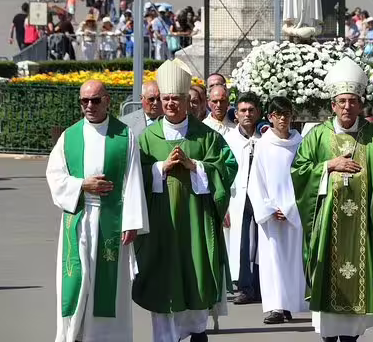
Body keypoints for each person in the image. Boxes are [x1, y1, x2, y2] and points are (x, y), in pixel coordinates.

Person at [291, 57, 373, 342]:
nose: (346, 107)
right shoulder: (317, 136)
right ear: (332, 105)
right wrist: (329, 166)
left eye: (352, 101)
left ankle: (352, 337)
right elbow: (299, 171)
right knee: (329, 285)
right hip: (327, 228)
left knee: (357, 289)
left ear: (360, 104)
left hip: (362, 229)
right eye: (341, 101)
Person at [132, 59, 238, 342]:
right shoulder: (146, 138)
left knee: (196, 282)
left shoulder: (206, 137)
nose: (169, 104)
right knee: (163, 289)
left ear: (187, 101)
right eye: (165, 98)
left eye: (176, 99)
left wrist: (196, 167)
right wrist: (159, 169)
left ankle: (196, 333)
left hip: (196, 227)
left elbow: (227, 167)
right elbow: (133, 177)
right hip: (160, 228)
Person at [46, 79, 149, 342]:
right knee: (77, 281)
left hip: (112, 221)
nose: (89, 105)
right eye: (84, 101)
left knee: (109, 286)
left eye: (95, 100)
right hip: (78, 219)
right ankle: (75, 334)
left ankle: (108, 337)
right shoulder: (69, 137)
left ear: (107, 101)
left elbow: (134, 178)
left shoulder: (125, 136)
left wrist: (132, 222)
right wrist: (82, 185)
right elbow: (55, 176)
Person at [246, 96, 307, 324]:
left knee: (292, 259)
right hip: (271, 213)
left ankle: (290, 304)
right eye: (278, 115)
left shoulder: (300, 144)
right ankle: (274, 307)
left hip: (294, 210)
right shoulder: (263, 145)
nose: (283, 119)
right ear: (270, 117)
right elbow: (256, 181)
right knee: (272, 260)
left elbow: (305, 178)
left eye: (287, 114)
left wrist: (292, 207)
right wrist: (270, 209)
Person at [224, 92, 263, 305]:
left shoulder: (266, 137)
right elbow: (222, 172)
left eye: (251, 110)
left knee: (262, 243)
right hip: (237, 198)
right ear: (236, 114)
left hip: (261, 196)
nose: (247, 114)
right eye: (243, 110)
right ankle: (245, 287)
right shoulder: (229, 139)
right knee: (242, 243)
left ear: (258, 112)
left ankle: (261, 286)